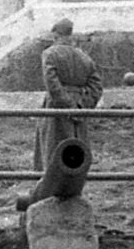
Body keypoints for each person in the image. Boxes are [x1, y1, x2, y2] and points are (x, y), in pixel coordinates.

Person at [36, 18, 103, 170]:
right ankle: (74, 181)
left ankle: (50, 183)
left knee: (52, 143)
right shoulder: (84, 57)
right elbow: (97, 86)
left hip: (56, 106)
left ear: (55, 35)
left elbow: (52, 84)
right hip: (79, 105)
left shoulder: (49, 54)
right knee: (77, 143)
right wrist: (82, 105)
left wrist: (66, 104)